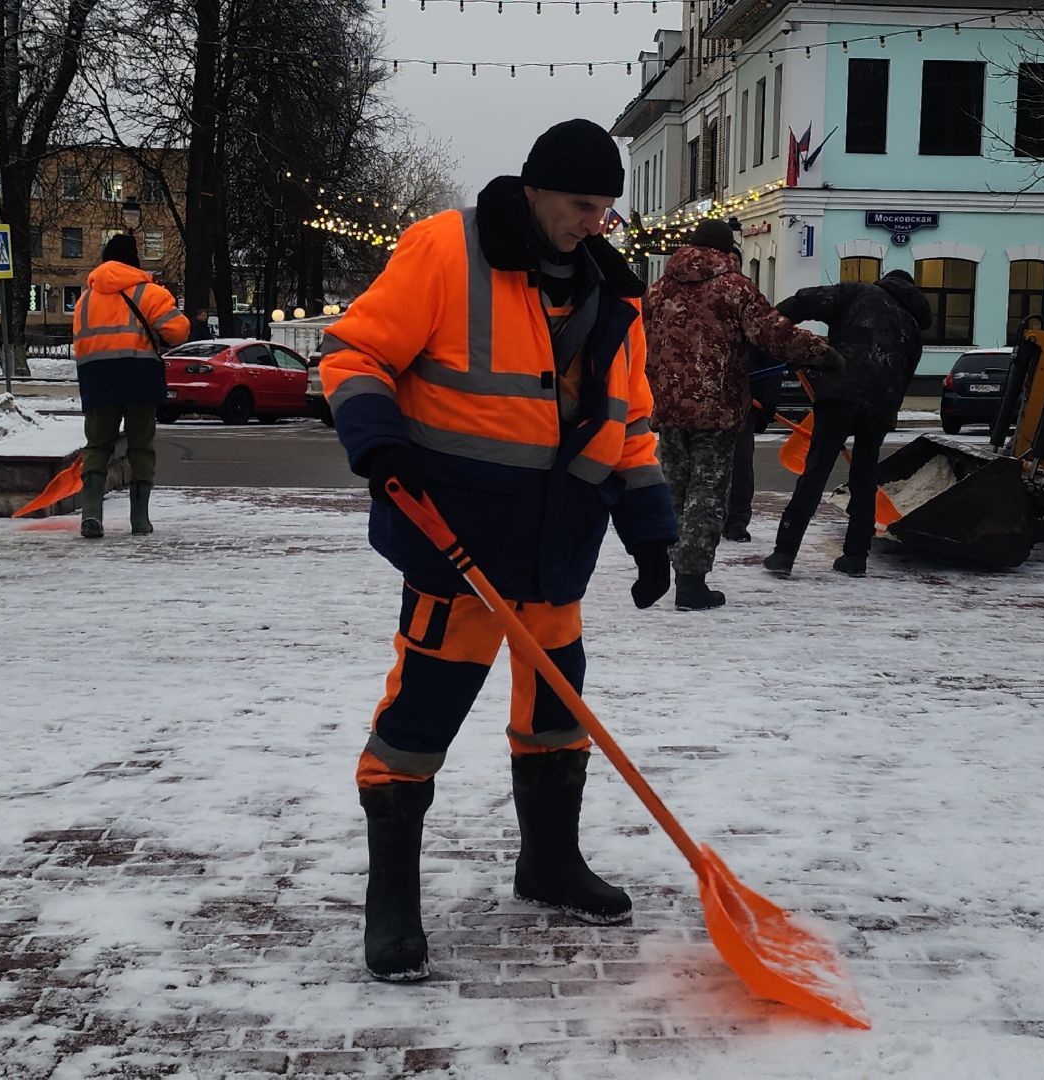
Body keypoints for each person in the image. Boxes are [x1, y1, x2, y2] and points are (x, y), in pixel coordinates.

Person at [321, 118, 677, 983]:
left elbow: (628, 424)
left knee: (558, 715)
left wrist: (650, 528)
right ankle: (393, 901)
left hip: (557, 549)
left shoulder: (612, 295)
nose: (593, 223)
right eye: (578, 205)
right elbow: (356, 349)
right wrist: (374, 437)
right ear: (534, 192)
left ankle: (548, 863)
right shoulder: (448, 252)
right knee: (419, 720)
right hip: (457, 541)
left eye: (604, 209)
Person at [641, 219, 836, 610]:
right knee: (707, 495)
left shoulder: (658, 290)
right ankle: (691, 582)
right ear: (725, 250)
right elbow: (773, 334)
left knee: (674, 490)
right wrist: (823, 353)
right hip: (716, 407)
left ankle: (668, 566)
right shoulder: (733, 288)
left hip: (668, 404)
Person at [763, 268, 931, 577]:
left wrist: (774, 321)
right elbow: (904, 377)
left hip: (842, 394)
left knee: (816, 472)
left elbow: (809, 300)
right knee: (864, 480)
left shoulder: (860, 294)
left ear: (884, 280)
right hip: (880, 407)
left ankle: (784, 553)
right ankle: (855, 557)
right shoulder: (912, 330)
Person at [72, 233, 190, 538]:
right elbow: (178, 332)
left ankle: (91, 514)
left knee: (97, 445)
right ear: (134, 260)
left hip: (97, 377)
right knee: (140, 446)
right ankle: (139, 519)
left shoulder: (85, 298)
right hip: (139, 373)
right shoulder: (148, 293)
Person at [723, 344, 780, 544]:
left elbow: (770, 353)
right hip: (700, 400)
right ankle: (700, 520)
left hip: (743, 401)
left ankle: (735, 522)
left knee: (740, 463)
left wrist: (768, 401)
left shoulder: (748, 315)